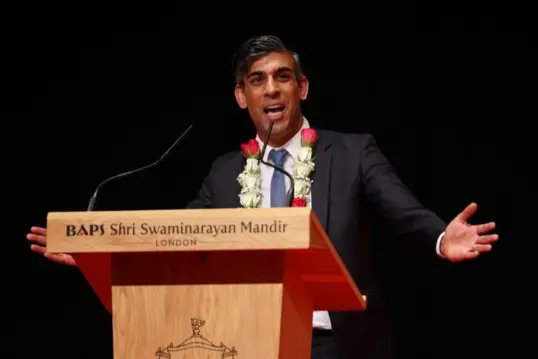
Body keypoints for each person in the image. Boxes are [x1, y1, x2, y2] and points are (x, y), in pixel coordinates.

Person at [27, 35, 499, 359]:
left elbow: (403, 209)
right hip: (245, 341)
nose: (271, 88)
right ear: (241, 95)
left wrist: (441, 237)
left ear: (302, 87)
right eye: (257, 79)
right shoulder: (224, 171)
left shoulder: (353, 152)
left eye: (283, 76)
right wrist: (98, 250)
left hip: (337, 345)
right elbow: (177, 237)